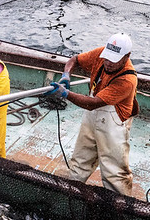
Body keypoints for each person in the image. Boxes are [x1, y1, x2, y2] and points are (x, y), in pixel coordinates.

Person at [47, 32, 139, 196]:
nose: (108, 63)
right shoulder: (102, 54)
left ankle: (119, 204)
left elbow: (93, 104)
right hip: (92, 116)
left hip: (113, 122)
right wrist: (66, 74)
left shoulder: (127, 80)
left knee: (114, 170)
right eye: (107, 58)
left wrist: (65, 94)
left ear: (127, 56)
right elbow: (74, 60)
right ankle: (71, 194)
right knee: (80, 158)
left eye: (114, 59)